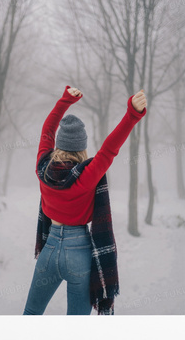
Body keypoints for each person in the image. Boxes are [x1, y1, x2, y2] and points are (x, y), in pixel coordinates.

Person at [23, 85, 147, 315]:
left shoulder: (43, 168)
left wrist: (65, 101)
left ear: (58, 145)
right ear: (82, 148)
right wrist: (131, 114)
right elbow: (110, 149)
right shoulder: (87, 176)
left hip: (49, 249)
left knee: (31, 313)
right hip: (79, 252)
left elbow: (47, 130)